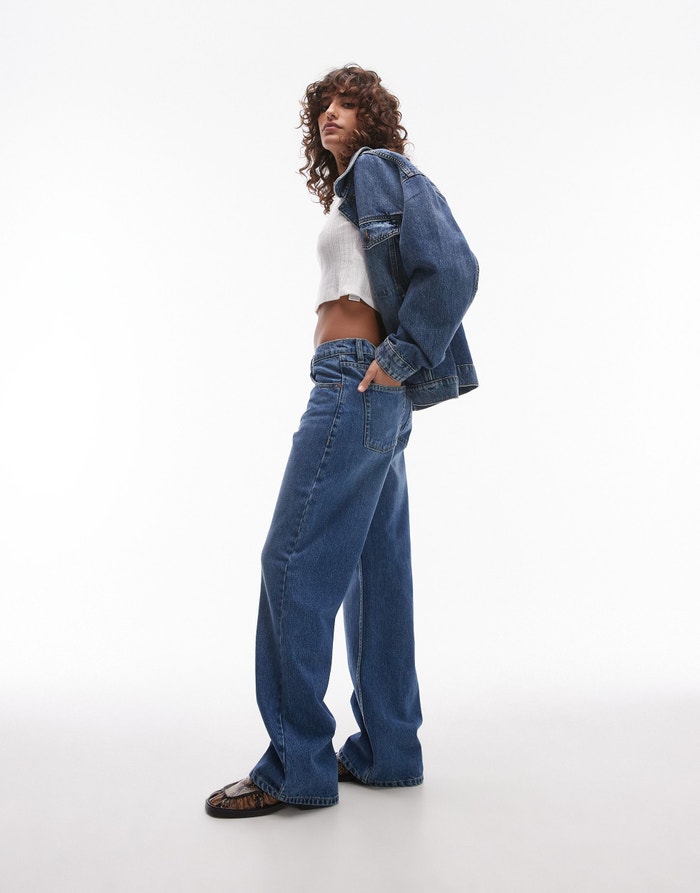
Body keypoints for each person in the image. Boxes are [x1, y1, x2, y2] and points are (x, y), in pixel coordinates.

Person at [205, 64, 479, 818]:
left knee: (290, 559)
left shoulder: (379, 171)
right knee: (375, 573)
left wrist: (400, 356)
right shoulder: (349, 191)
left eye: (348, 103)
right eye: (324, 103)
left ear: (374, 117)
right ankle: (388, 751)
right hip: (372, 390)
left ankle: (295, 766)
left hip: (356, 380)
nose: (331, 112)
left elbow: (454, 269)